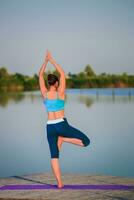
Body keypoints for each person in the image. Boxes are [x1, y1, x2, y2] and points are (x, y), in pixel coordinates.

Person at [39, 50, 90, 189]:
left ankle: (59, 183)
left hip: (49, 126)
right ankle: (64, 139)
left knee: (54, 155)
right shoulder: (60, 92)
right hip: (62, 125)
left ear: (49, 83)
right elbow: (62, 73)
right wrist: (52, 60)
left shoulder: (44, 93)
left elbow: (39, 75)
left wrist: (45, 61)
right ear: (56, 83)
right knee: (86, 141)